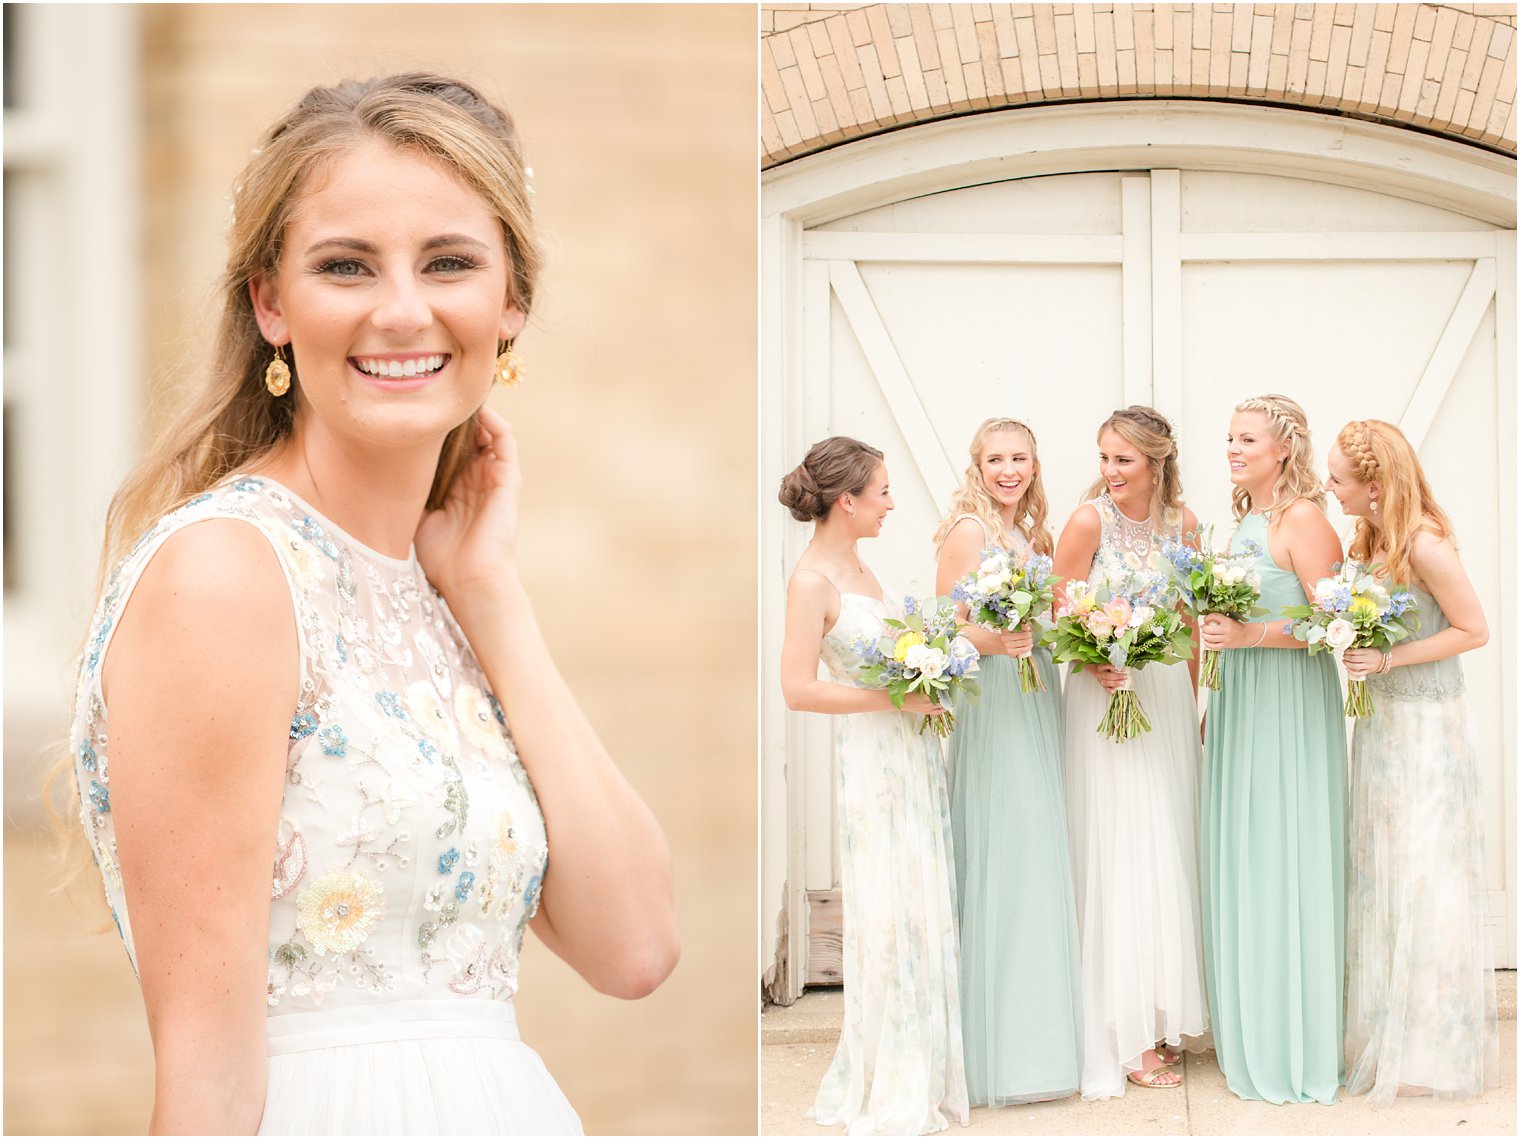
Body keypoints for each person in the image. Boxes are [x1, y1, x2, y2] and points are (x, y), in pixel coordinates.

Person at [66, 73, 677, 1135]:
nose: (402, 309)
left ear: (510, 299)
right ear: (270, 303)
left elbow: (634, 945)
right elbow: (206, 1066)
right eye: (345, 265)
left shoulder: (443, 590)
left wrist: (489, 593)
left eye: (449, 262)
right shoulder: (225, 574)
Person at [778, 437, 968, 1136]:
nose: (892, 503)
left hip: (909, 753)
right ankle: (889, 1070)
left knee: (917, 899)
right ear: (846, 499)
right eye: (882, 491)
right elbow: (797, 689)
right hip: (873, 760)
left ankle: (924, 1057)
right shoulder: (811, 582)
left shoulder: (860, 563)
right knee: (888, 903)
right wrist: (894, 701)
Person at [1327, 419, 1499, 1105]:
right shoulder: (1370, 537)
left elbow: (1474, 628)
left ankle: (1432, 1046)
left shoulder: (1425, 542)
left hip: (1427, 728)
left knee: (1429, 877)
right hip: (1383, 728)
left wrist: (1390, 656)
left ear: (1374, 485)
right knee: (1385, 872)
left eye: (1339, 478)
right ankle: (1383, 1031)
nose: (1330, 488)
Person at [1053, 406, 1208, 1098]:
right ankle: (1123, 1032)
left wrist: (1200, 697)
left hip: (1166, 697)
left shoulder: (1186, 526)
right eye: (1105, 457)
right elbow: (1059, 612)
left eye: (1125, 460)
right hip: (1106, 696)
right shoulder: (1089, 521)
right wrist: (1096, 664)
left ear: (1157, 461)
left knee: (1166, 845)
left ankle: (1157, 1011)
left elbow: (1192, 621)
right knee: (1122, 849)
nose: (1111, 471)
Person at [1198, 394, 1345, 1104]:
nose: (1233, 448)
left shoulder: (1303, 519)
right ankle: (1253, 1022)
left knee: (1284, 851)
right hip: (1240, 702)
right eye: (1230, 437)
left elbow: (1338, 624)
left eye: (1247, 438)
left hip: (1287, 704)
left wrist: (1254, 635)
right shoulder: (1244, 523)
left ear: (1284, 447)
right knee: (1248, 854)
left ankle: (1295, 1039)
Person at [932, 418, 1080, 1106]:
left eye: (1019, 457)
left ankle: (1042, 1042)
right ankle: (1001, 1054)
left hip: (1035, 693)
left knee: (1038, 855)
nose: (1009, 469)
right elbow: (941, 625)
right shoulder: (969, 530)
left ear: (1035, 463)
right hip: (995, 700)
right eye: (996, 458)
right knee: (1008, 851)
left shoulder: (1033, 535)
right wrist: (999, 640)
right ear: (978, 465)